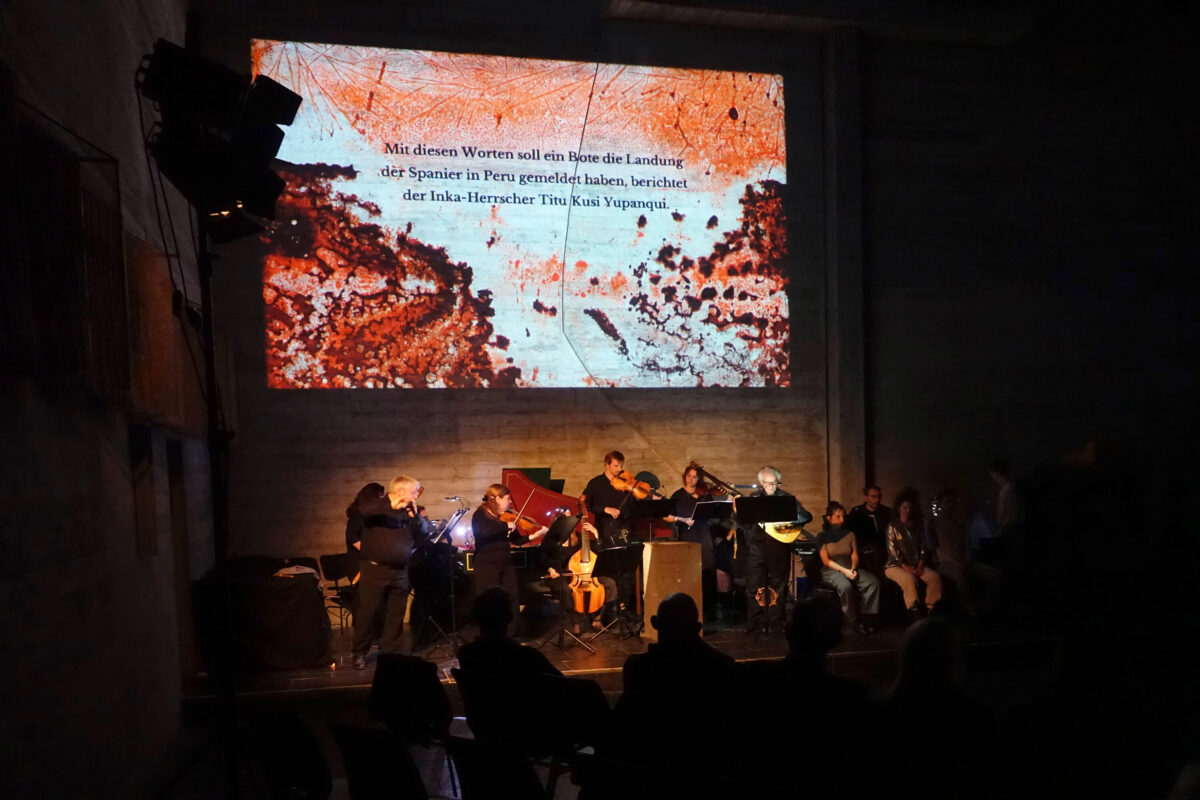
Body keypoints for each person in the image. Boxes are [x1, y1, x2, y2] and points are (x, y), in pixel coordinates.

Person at [351, 475, 425, 669]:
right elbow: (360, 511)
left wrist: (415, 517)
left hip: (400, 571)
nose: (416, 495)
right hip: (374, 569)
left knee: (396, 613)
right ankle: (359, 652)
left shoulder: (409, 511)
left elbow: (424, 532)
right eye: (414, 492)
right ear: (400, 491)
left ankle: (390, 650)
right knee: (368, 612)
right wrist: (390, 505)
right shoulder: (375, 505)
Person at [740, 466, 813, 636]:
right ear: (761, 483)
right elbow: (743, 523)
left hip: (779, 547)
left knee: (779, 586)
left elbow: (806, 516)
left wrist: (787, 520)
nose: (772, 486)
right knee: (754, 585)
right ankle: (756, 622)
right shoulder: (754, 498)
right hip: (757, 548)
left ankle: (776, 622)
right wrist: (737, 513)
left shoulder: (785, 498)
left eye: (775, 483)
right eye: (768, 483)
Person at [471, 484, 548, 637]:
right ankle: (489, 636)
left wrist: (536, 535)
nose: (510, 502)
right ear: (497, 499)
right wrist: (505, 525)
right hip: (486, 564)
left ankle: (511, 634)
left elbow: (517, 540)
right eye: (507, 499)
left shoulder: (504, 517)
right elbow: (482, 532)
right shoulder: (480, 515)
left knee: (512, 597)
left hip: (505, 562)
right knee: (489, 601)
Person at [457, 586, 561, 679]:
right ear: (510, 617)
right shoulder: (526, 656)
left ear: (476, 618)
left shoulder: (466, 654)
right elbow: (562, 682)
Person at [539, 519, 618, 633]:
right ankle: (575, 622)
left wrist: (595, 533)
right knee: (565, 590)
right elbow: (541, 558)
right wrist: (550, 569)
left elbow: (596, 550)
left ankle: (597, 618)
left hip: (582, 573)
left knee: (610, 584)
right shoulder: (550, 540)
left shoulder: (579, 537)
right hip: (558, 574)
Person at [665, 463, 719, 620]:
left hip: (704, 535)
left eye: (695, 477)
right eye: (689, 476)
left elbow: (714, 515)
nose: (691, 479)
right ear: (685, 477)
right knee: (689, 573)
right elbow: (667, 516)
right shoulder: (678, 495)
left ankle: (709, 611)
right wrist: (681, 519)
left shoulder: (705, 495)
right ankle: (688, 610)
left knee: (708, 571)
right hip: (687, 536)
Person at [817, 501, 880, 634]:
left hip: (849, 565)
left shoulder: (850, 534)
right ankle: (853, 619)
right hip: (832, 569)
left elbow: (854, 554)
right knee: (845, 586)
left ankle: (867, 616)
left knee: (872, 582)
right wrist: (845, 571)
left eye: (843, 516)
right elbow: (826, 561)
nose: (842, 519)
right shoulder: (822, 536)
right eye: (838, 516)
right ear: (829, 518)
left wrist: (853, 569)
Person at [884, 490, 942, 621]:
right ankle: (914, 610)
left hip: (915, 564)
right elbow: (893, 552)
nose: (908, 511)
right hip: (895, 565)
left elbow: (922, 547)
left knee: (934, 577)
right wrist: (905, 567)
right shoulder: (893, 526)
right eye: (905, 508)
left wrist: (920, 564)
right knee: (909, 579)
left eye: (910, 508)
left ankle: (931, 609)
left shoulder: (917, 526)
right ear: (899, 508)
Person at [579, 450, 634, 548]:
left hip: (623, 529)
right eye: (616, 466)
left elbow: (632, 505)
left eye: (621, 466)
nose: (619, 469)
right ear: (607, 464)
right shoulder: (595, 483)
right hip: (603, 529)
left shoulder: (625, 483)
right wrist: (605, 509)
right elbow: (585, 504)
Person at [847, 484, 891, 579]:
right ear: (866, 497)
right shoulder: (857, 513)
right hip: (863, 551)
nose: (877, 500)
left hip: (883, 550)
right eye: (873, 496)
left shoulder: (886, 512)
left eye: (879, 497)